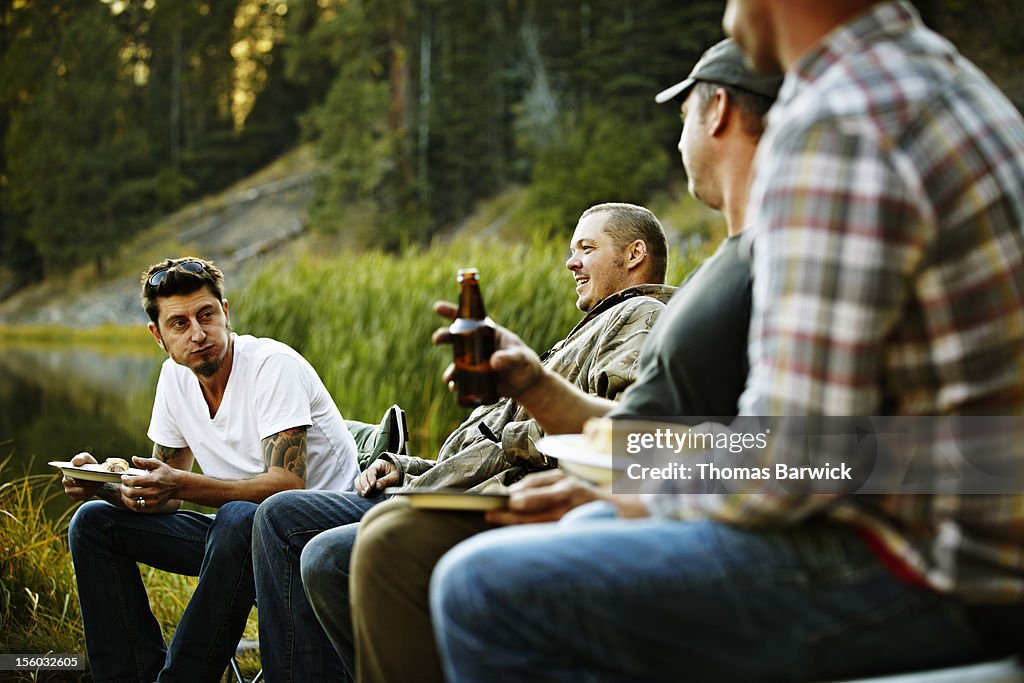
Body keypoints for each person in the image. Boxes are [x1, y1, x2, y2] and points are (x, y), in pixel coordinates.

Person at [429, 2, 1024, 682]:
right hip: (962, 531)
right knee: (580, 538)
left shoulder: (841, 122)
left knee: (483, 589)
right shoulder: (944, 86)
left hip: (933, 570)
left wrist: (634, 490)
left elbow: (793, 460)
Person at [346, 38, 781, 683]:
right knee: (382, 535)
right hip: (655, 492)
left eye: (681, 115)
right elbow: (668, 435)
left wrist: (624, 494)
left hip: (737, 528)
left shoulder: (764, 267)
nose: (570, 264)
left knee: (396, 548)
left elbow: (803, 455)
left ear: (715, 110)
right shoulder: (732, 266)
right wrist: (533, 384)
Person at [251, 202, 674, 682]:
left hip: (495, 503)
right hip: (445, 487)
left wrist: (518, 418)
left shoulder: (642, 315)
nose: (571, 262)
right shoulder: (596, 325)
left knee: (327, 556)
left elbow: (620, 433)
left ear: (634, 254)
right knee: (280, 514)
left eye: (586, 248)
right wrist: (409, 467)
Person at [63, 257, 360, 683]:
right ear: (158, 335)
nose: (198, 334)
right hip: (236, 537)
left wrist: (178, 483)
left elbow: (286, 487)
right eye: (179, 324)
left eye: (206, 315)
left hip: (308, 539)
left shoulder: (272, 366)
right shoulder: (173, 379)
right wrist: (105, 485)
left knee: (240, 518)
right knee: (93, 523)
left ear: (226, 311)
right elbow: (167, 493)